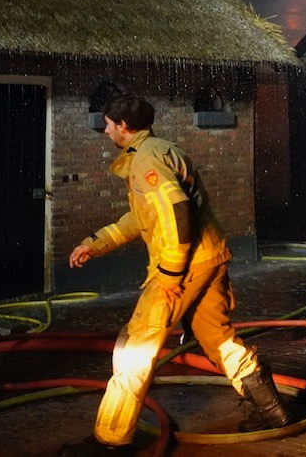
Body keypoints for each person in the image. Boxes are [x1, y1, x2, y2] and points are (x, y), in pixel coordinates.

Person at [62, 95, 291, 455]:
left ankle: (109, 440)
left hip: (183, 266)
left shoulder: (147, 160)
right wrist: (98, 242)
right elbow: (143, 217)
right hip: (209, 256)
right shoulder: (160, 149)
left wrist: (170, 274)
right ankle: (273, 409)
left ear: (123, 126)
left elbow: (176, 211)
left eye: (107, 123)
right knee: (216, 337)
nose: (104, 129)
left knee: (135, 346)